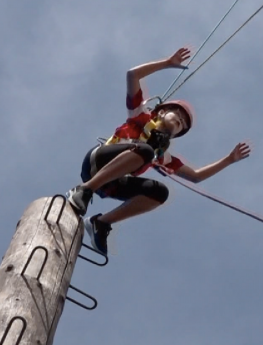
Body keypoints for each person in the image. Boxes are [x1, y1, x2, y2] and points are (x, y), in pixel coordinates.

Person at [66, 47, 251, 256]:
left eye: (182, 125)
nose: (180, 122)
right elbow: (132, 75)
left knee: (160, 192)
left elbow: (196, 176)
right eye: (177, 116)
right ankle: (83, 190)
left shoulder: (162, 155)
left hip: (113, 183)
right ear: (161, 111)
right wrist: (167, 63)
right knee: (145, 151)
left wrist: (228, 159)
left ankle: (100, 223)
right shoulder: (140, 117)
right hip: (97, 163)